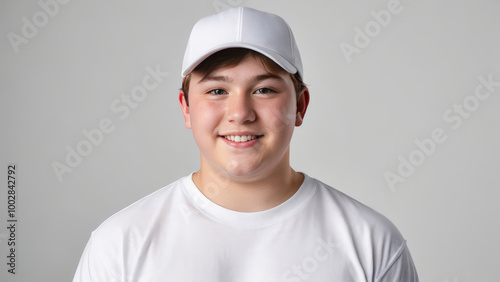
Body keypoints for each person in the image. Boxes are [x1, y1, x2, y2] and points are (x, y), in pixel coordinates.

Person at [73, 6, 419, 282]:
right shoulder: (120, 244)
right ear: (186, 108)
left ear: (300, 105)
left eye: (263, 89)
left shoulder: (372, 244)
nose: (239, 113)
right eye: (217, 91)